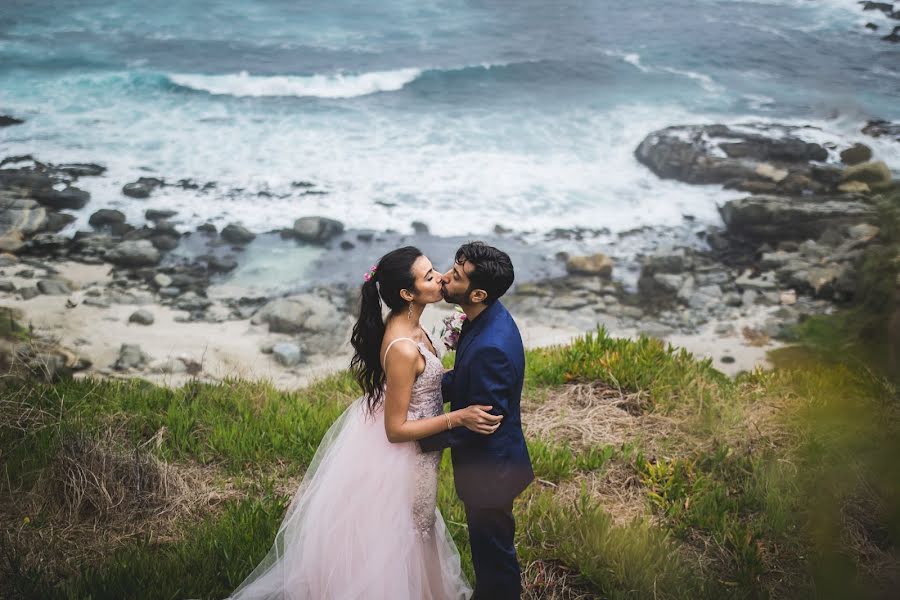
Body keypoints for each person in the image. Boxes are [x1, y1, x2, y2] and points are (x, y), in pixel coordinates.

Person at [225, 246, 502, 599]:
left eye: (436, 271)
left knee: (414, 529)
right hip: (407, 457)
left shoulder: (410, 325)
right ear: (407, 294)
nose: (441, 278)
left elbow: (424, 385)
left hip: (420, 449)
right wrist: (459, 417)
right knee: (411, 531)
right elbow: (395, 430)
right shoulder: (403, 347)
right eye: (430, 276)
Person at [420, 242, 534, 600]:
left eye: (455, 276)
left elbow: (484, 424)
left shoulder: (492, 348)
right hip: (493, 467)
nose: (445, 277)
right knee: (490, 551)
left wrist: (420, 437)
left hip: (492, 472)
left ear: (478, 292)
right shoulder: (485, 317)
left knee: (494, 558)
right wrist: (423, 386)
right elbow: (468, 381)